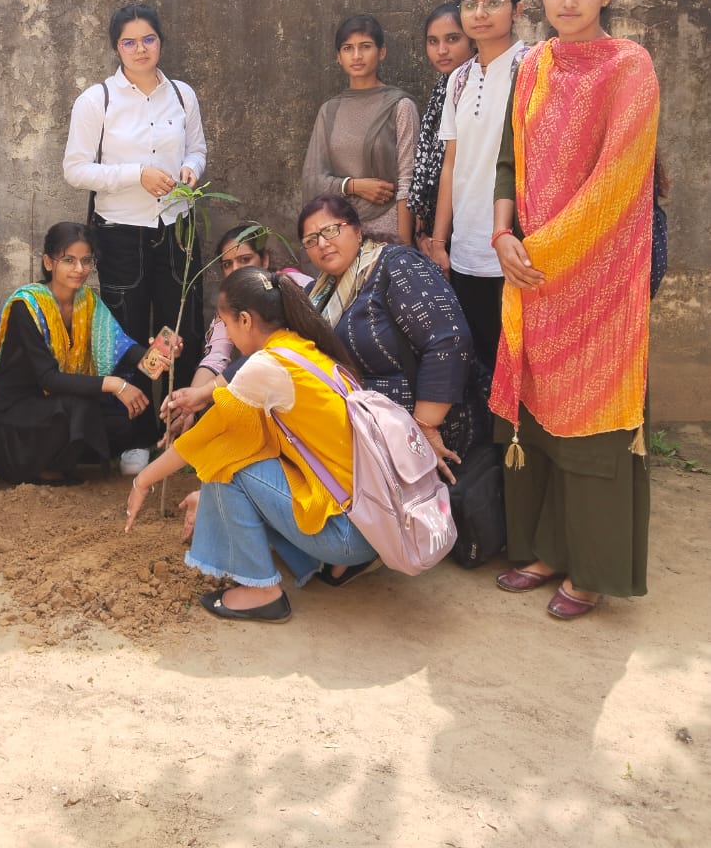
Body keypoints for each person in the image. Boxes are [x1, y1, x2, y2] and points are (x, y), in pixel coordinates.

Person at [490, 0, 659, 620]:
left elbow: (616, 180)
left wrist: (541, 252)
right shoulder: (532, 65)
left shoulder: (629, 66)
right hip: (530, 271)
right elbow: (508, 162)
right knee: (537, 415)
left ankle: (592, 571)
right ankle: (546, 550)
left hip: (599, 280)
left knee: (591, 421)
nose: (569, 2)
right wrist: (503, 235)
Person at [125, 267, 380, 622]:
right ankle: (315, 561)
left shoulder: (265, 366)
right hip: (370, 523)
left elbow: (207, 439)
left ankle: (261, 592)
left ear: (245, 320)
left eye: (226, 325)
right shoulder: (299, 348)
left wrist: (143, 480)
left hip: (348, 534)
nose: (227, 334)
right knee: (235, 457)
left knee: (225, 463)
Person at [62, 3, 207, 475]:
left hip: (177, 230)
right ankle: (136, 436)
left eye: (148, 39)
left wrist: (191, 169)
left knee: (176, 329)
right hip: (121, 232)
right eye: (129, 42)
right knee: (129, 333)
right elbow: (75, 169)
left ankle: (178, 429)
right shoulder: (97, 100)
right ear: (116, 48)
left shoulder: (182, 95)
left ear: (161, 41)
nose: (140, 49)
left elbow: (199, 149)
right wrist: (135, 175)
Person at [0, 222, 159, 487]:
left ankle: (57, 461)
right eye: (69, 260)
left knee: (121, 422)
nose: (79, 269)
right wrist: (116, 384)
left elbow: (118, 345)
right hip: (16, 416)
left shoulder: (86, 301)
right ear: (49, 263)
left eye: (86, 260)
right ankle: (33, 468)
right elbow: (48, 379)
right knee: (83, 405)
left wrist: (155, 357)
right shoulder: (26, 307)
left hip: (55, 407)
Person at [299, 194, 479, 474]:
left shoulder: (395, 265)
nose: (322, 243)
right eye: (311, 240)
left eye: (330, 230)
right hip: (365, 438)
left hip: (422, 434)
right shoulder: (316, 296)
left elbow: (449, 340)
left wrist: (424, 429)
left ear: (358, 231)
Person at [430, 0, 528, 376]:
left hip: (517, 241)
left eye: (493, 2)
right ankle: (490, 442)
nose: (480, 13)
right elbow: (451, 163)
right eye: (470, 4)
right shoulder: (457, 80)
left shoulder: (534, 68)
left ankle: (523, 442)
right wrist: (440, 240)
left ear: (517, 9)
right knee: (482, 356)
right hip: (467, 244)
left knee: (521, 355)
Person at [162, 223, 312, 435]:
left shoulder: (295, 285)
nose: (235, 270)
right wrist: (190, 404)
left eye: (245, 259)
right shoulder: (229, 307)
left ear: (265, 259)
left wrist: (201, 395)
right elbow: (215, 358)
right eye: (227, 264)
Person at [301, 14, 419, 245]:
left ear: (381, 52)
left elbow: (408, 182)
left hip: (388, 229)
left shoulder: (399, 106)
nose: (356, 56)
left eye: (365, 47)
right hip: (339, 231)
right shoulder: (329, 111)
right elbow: (313, 179)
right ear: (338, 57)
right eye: (348, 48)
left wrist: (405, 247)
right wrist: (353, 186)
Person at [408, 3, 475, 258]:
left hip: (466, 227)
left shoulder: (473, 89)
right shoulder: (441, 90)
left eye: (453, 39)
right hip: (436, 230)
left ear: (472, 39)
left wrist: (438, 239)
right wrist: (422, 233)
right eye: (433, 41)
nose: (442, 50)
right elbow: (425, 170)